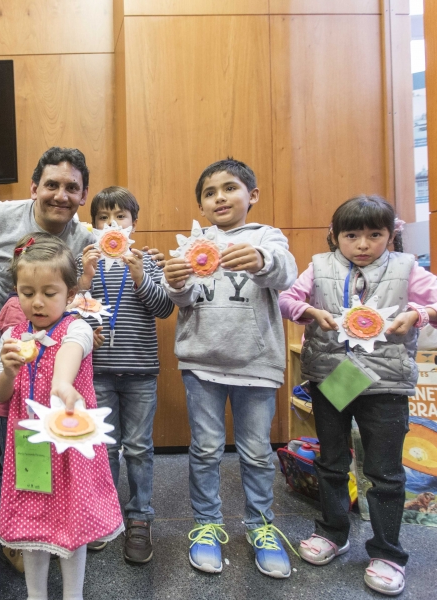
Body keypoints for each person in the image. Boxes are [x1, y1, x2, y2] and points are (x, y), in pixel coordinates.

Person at [279, 195, 437, 596]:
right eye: (352, 235)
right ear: (335, 236)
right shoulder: (318, 265)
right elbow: (287, 300)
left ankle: (387, 553)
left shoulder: (407, 268)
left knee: (384, 472)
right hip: (333, 378)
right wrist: (310, 313)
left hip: (386, 386)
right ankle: (333, 533)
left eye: (375, 234)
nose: (363, 244)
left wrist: (417, 315)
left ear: (390, 235)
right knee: (331, 461)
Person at [163, 157, 298, 578]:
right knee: (204, 449)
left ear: (251, 195)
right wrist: (175, 281)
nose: (219, 197)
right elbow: (181, 301)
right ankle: (206, 525)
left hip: (256, 364)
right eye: (209, 192)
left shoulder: (266, 236)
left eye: (229, 188)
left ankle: (260, 526)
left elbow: (285, 273)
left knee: (257, 452)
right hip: (201, 361)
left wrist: (260, 258)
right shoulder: (193, 240)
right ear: (201, 205)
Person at [0, 234, 123, 600]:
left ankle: (73, 594)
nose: (37, 301)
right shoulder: (11, 338)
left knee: (72, 521)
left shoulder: (76, 327)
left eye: (49, 292)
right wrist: (9, 372)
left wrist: (63, 384)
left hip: (68, 447)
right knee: (31, 521)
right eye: (27, 291)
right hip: (28, 447)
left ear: (69, 293)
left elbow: (71, 351)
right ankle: (36, 595)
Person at [0, 147, 96, 515]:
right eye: (51, 185)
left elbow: (85, 296)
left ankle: (46, 495)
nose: (61, 195)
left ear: (83, 195)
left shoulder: (85, 241)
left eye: (72, 188)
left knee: (34, 424)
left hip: (50, 346)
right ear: (33, 188)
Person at [75, 186, 174, 563]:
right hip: (97, 372)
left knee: (139, 447)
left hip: (141, 371)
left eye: (121, 217)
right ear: (94, 223)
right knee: (103, 447)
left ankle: (140, 516)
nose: (112, 223)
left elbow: (164, 308)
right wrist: (83, 280)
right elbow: (71, 312)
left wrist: (140, 277)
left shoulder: (146, 262)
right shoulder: (88, 261)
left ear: (134, 224)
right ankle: (103, 514)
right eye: (103, 217)